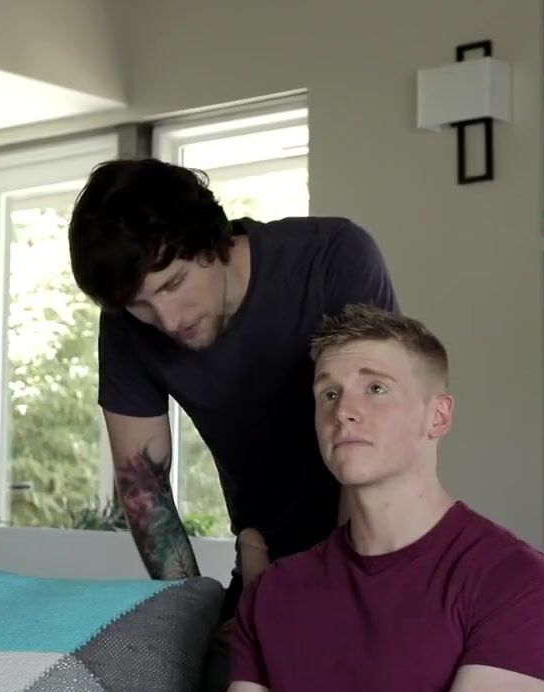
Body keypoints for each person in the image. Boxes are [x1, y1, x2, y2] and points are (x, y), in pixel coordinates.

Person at [218, 305, 544, 692]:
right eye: (329, 394)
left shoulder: (514, 580)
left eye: (375, 388)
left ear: (438, 416)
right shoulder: (272, 593)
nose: (343, 411)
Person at [67, 158, 399, 619]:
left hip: (380, 559)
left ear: (213, 241)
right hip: (263, 564)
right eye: (141, 305)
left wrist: (334, 600)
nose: (167, 320)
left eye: (174, 283)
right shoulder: (128, 324)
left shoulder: (331, 257)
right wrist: (189, 621)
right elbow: (144, 487)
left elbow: (375, 441)